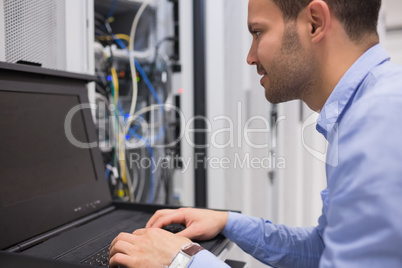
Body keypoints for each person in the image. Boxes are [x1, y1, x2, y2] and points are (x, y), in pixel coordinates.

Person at [109, 0, 402, 267]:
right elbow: (323, 249)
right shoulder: (365, 111)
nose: (250, 57)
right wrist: (227, 222)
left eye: (258, 32)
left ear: (314, 23)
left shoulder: (378, 122)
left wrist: (183, 260)